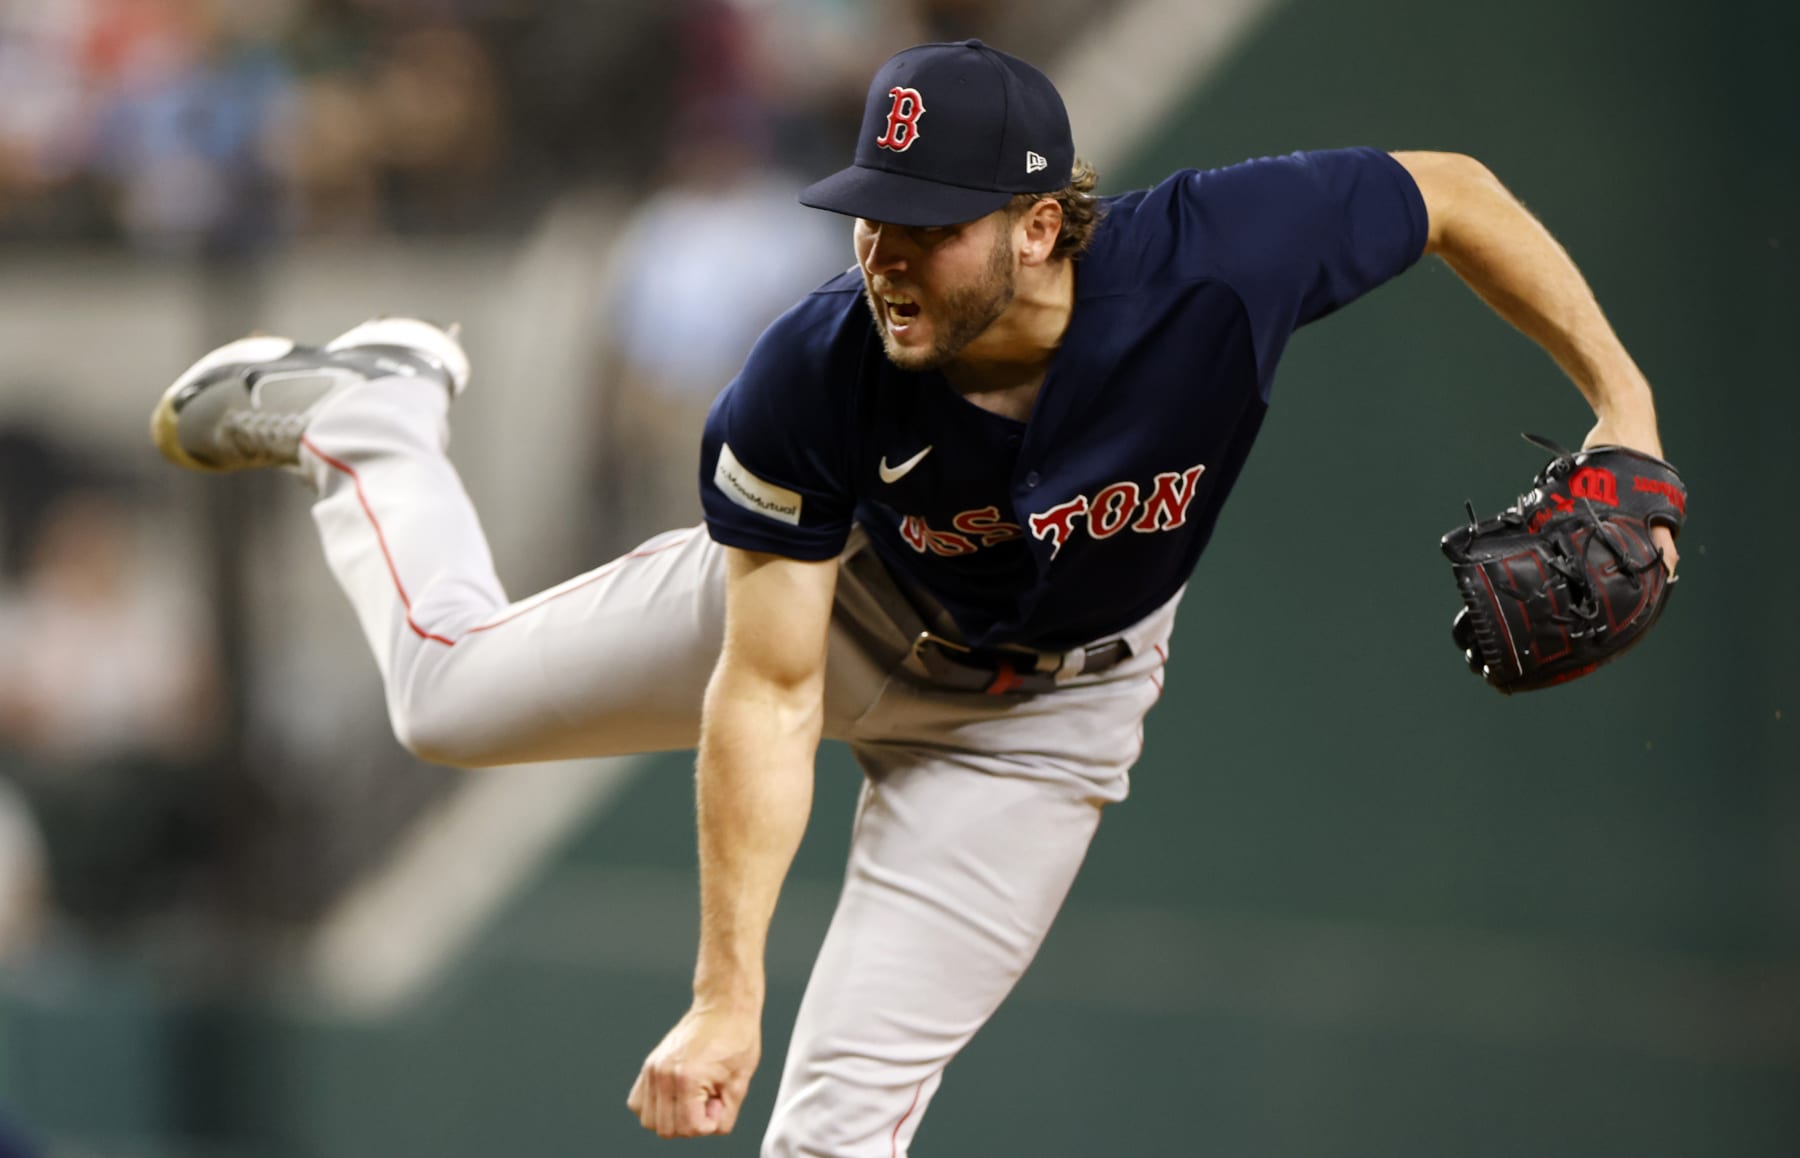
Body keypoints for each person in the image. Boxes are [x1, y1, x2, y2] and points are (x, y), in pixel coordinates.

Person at [150, 38, 1677, 1156]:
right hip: (843, 610)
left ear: (1039, 222)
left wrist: (1628, 414)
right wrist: (725, 992)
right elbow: (766, 689)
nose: (884, 251)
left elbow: (1457, 193)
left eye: (927, 219)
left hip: (1047, 718)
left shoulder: (1218, 261)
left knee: (831, 1138)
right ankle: (374, 416)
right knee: (442, 699)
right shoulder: (808, 375)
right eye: (871, 209)